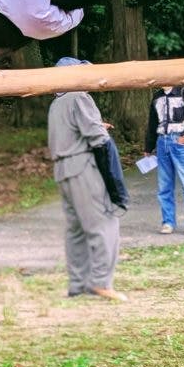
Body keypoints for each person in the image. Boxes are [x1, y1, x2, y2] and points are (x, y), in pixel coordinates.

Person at [47, 57, 126, 301]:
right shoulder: (78, 97)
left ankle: (78, 283)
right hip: (82, 167)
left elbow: (70, 132)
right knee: (104, 222)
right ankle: (101, 282)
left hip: (62, 170)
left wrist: (95, 125)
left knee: (76, 229)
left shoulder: (57, 103)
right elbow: (98, 140)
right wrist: (115, 182)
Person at [144, 85, 184, 235]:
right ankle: (168, 222)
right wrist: (148, 147)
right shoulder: (157, 96)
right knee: (164, 186)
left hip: (179, 140)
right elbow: (152, 122)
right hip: (162, 142)